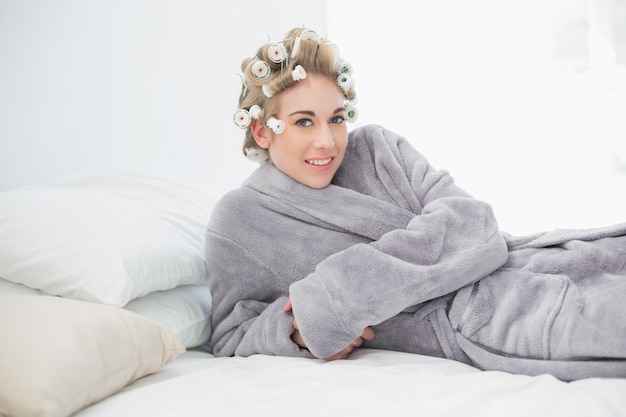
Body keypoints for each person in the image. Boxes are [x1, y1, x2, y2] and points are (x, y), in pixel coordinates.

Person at [205, 26, 626, 380]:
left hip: (537, 262)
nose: (327, 141)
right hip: (490, 321)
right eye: (303, 122)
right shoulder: (239, 219)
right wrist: (299, 334)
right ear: (262, 132)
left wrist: (339, 298)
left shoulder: (377, 149)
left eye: (336, 118)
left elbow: (473, 223)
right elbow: (231, 335)